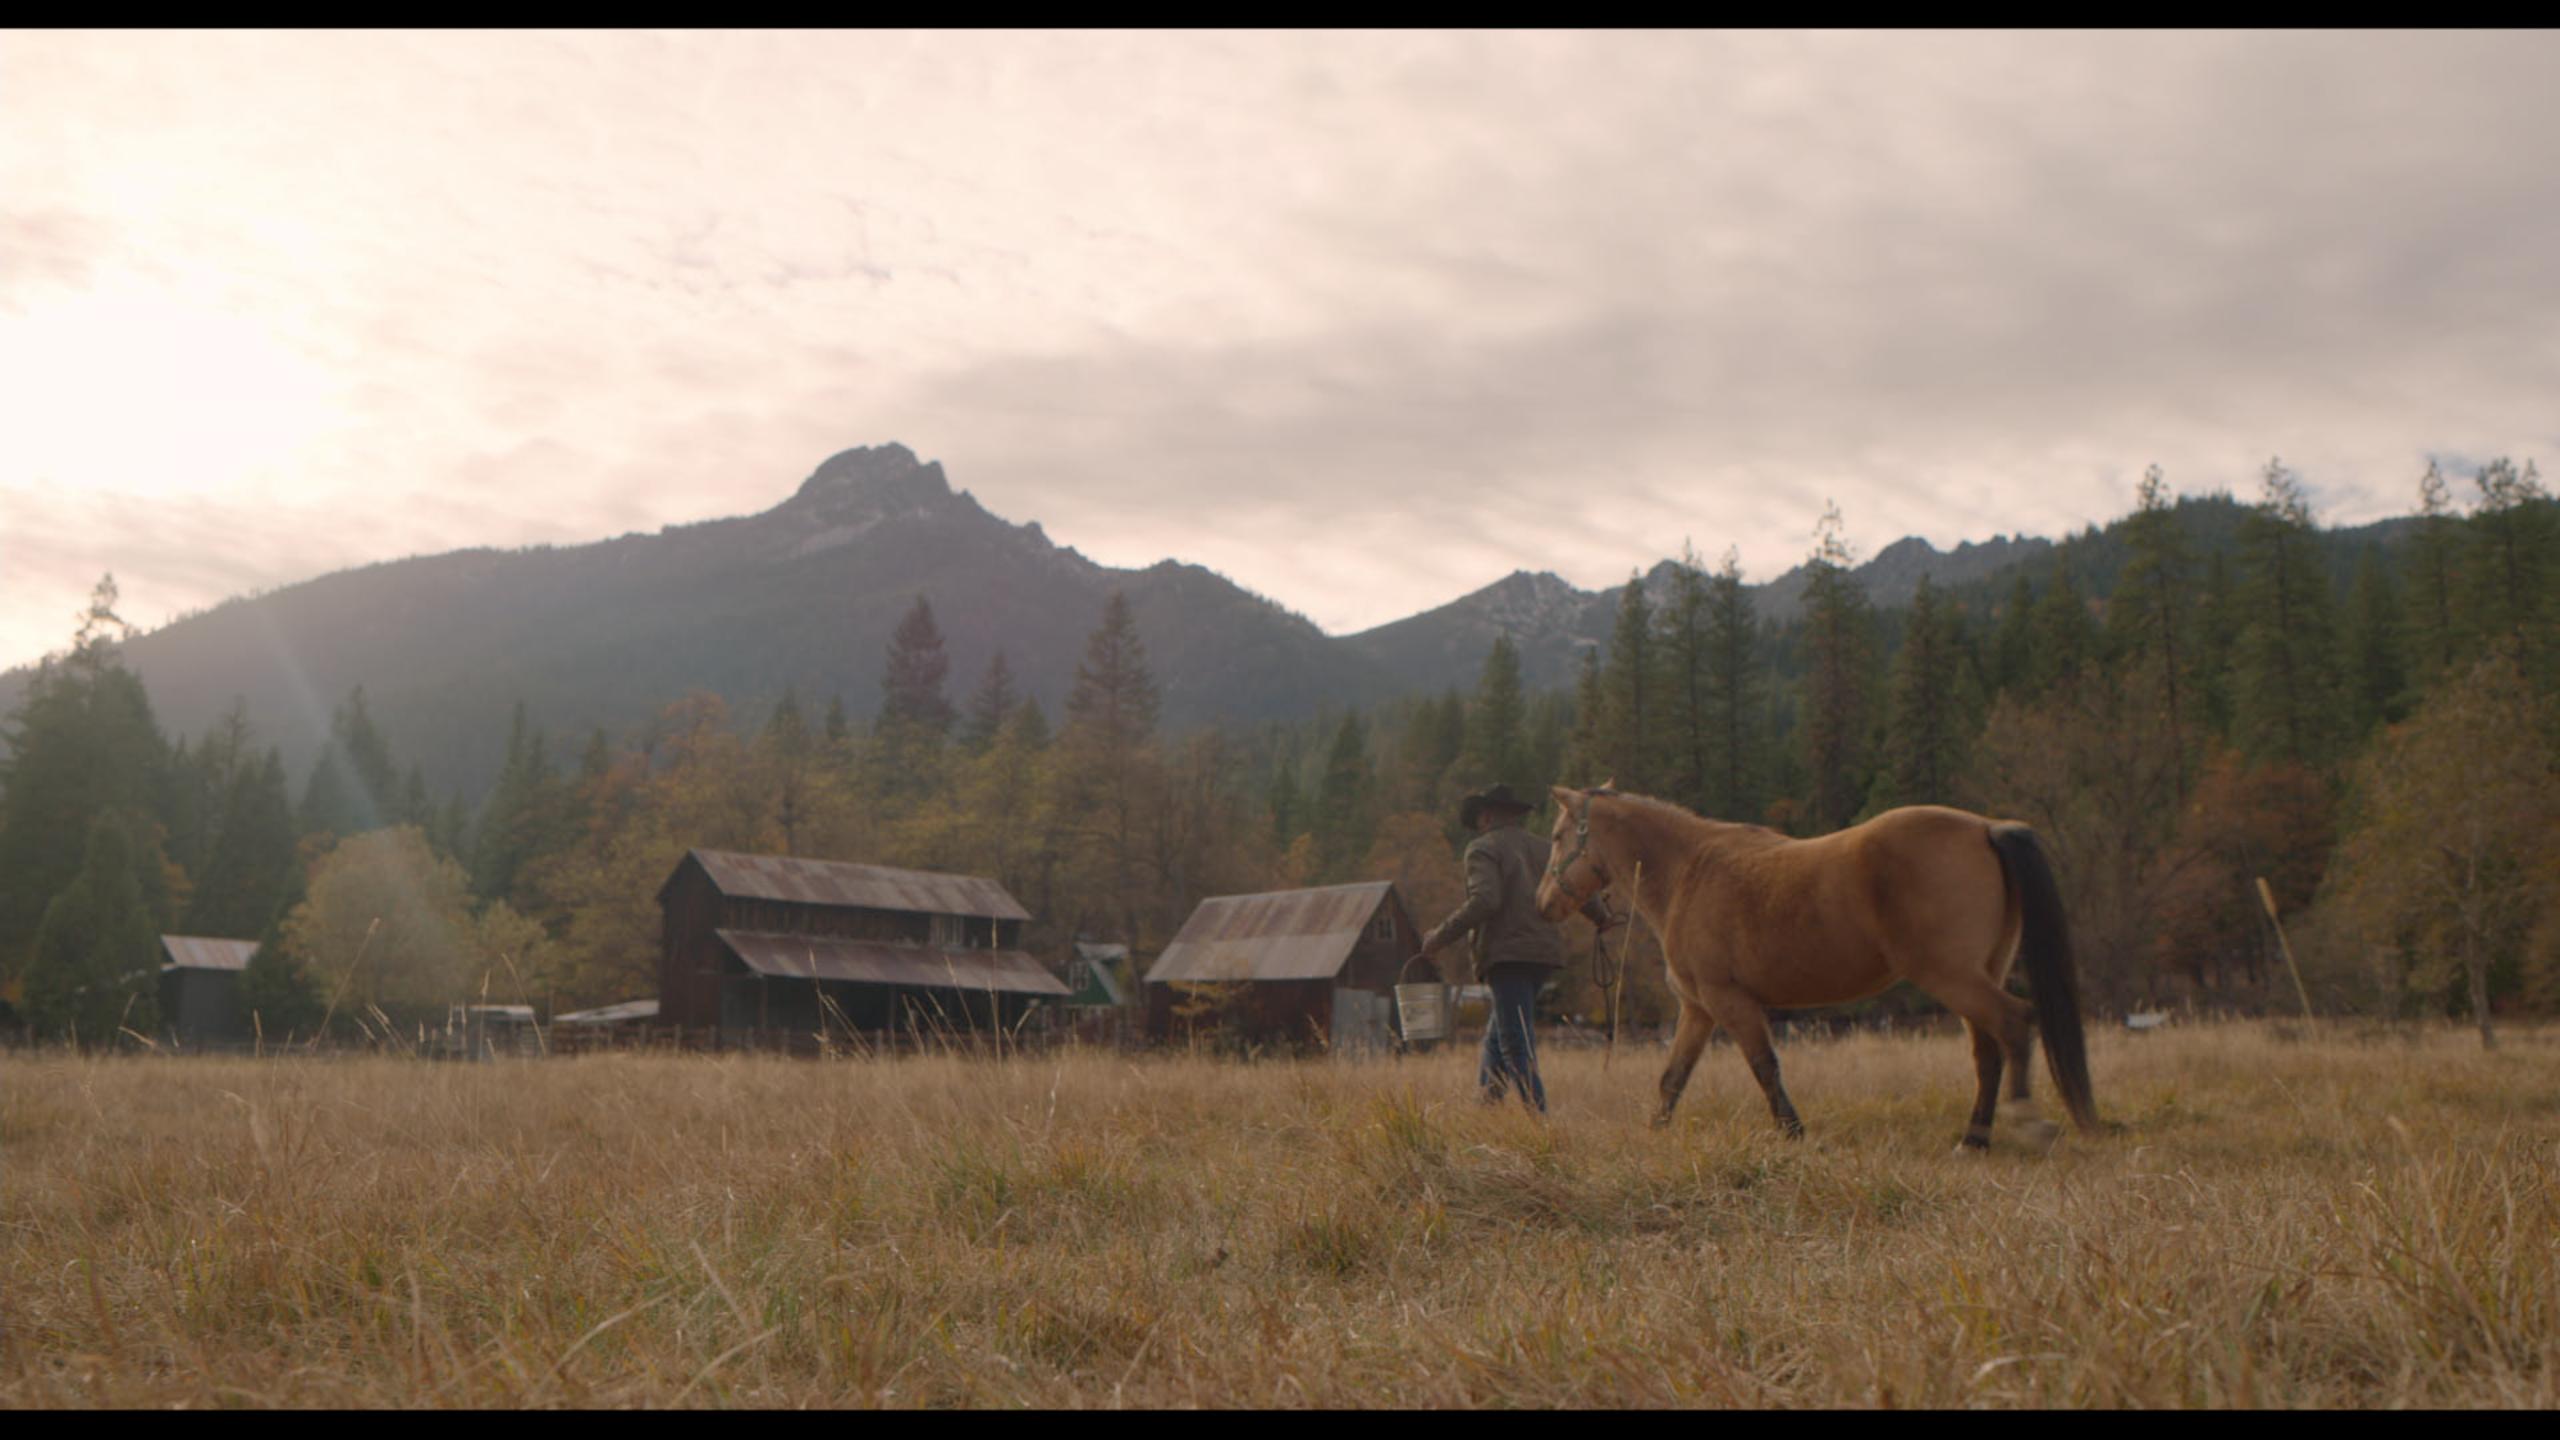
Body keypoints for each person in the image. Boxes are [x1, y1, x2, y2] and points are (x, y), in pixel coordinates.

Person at [1413, 782, 1616, 1112]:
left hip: (1507, 956)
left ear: (1486, 816)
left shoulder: (1482, 849)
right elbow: (1573, 885)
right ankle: (1487, 1111)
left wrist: (1439, 936)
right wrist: (1602, 916)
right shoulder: (1542, 848)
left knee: (1514, 1043)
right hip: (1544, 955)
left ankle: (1541, 1123)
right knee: (1499, 1036)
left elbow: (1485, 900)